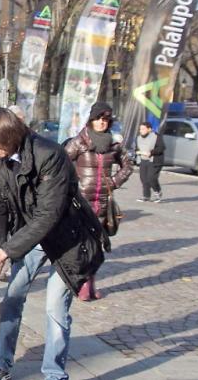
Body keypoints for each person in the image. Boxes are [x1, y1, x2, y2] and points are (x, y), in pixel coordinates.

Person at [0, 108, 105, 380]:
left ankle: (54, 373)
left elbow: (48, 215)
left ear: (7, 139)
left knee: (55, 306)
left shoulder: (50, 155)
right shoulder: (1, 159)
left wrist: (5, 253)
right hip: (29, 237)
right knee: (11, 299)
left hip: (67, 238)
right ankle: (1, 365)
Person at [64, 102, 133, 301]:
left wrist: (114, 181)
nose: (102, 123)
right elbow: (62, 162)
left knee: (97, 247)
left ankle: (91, 283)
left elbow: (128, 165)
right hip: (81, 201)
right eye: (99, 119)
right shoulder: (80, 141)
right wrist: (71, 185)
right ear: (91, 120)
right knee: (82, 245)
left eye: (105, 120)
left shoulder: (113, 144)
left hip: (103, 201)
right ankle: (82, 284)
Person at [136, 121, 165, 203]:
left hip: (154, 161)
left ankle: (158, 192)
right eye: (140, 129)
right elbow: (137, 147)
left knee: (151, 178)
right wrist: (137, 151)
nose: (141, 131)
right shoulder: (138, 138)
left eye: (143, 129)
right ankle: (146, 196)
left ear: (149, 129)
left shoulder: (156, 137)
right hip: (143, 160)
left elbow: (161, 148)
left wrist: (151, 153)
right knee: (143, 178)